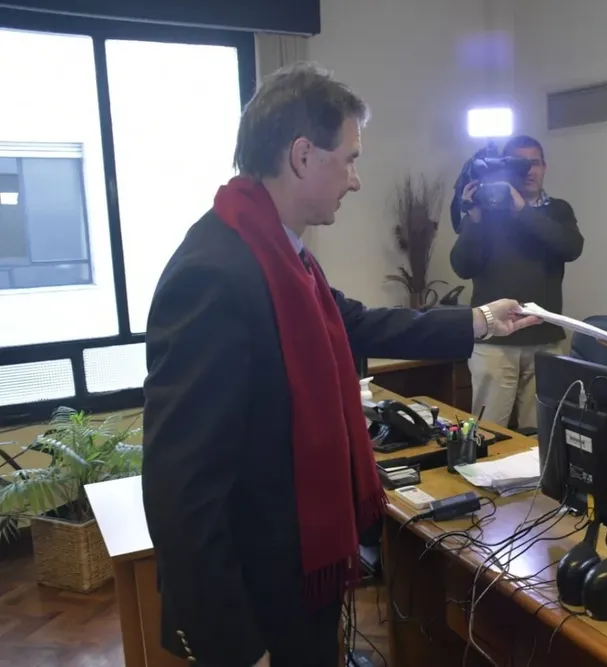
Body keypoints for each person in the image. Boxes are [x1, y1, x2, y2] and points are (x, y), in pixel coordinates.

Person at [140, 62, 539, 667]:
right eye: (349, 159)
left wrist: (480, 320)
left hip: (297, 573)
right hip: (258, 602)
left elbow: (356, 321)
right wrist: (237, 648)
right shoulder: (215, 273)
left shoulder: (278, 252)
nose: (355, 180)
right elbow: (181, 490)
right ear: (302, 155)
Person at [449, 135, 584, 430]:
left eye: (534, 162)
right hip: (494, 344)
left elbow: (571, 247)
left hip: (545, 340)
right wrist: (474, 218)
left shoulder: (558, 211)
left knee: (539, 436)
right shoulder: (489, 214)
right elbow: (462, 265)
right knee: (487, 433)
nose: (529, 171)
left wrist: (523, 212)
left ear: (544, 166)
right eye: (520, 164)